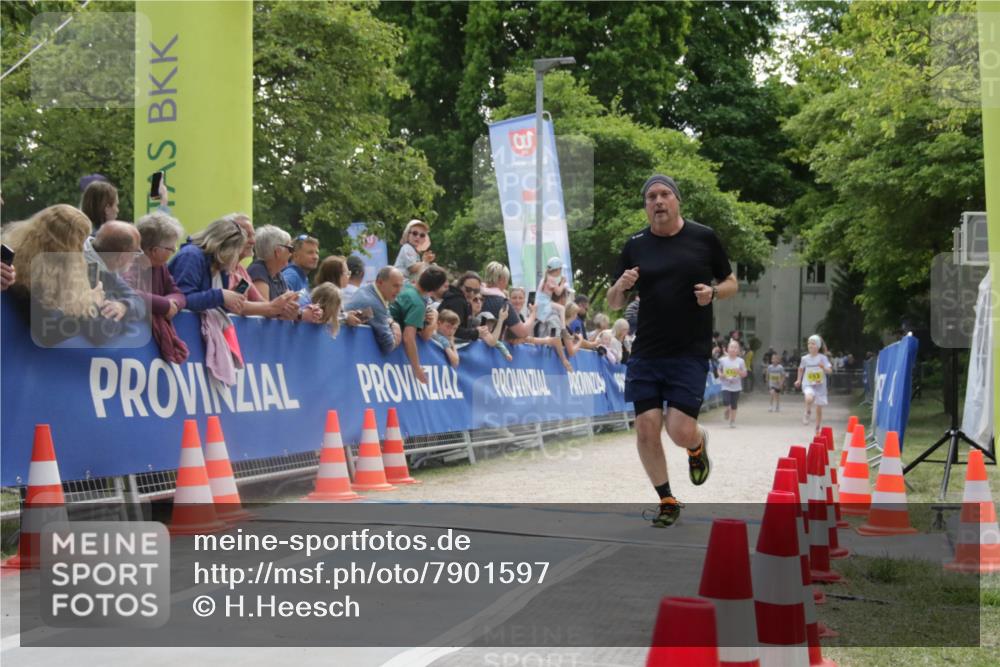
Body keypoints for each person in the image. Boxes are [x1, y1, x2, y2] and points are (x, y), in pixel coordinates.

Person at [607, 173, 738, 527]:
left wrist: (713, 293)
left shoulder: (703, 237)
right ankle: (667, 499)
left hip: (689, 351)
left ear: (677, 200)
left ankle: (696, 446)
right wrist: (621, 285)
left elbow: (731, 282)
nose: (658, 201)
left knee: (678, 429)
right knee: (647, 428)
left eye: (665, 194)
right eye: (651, 197)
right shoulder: (635, 245)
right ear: (646, 206)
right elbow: (614, 301)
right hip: (647, 352)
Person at [7, 205, 123, 345]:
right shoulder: (23, 274)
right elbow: (47, 334)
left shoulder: (39, 264)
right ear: (63, 245)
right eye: (80, 242)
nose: (83, 249)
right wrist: (91, 305)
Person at [131, 211, 188, 363]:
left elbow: (178, 294)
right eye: (171, 249)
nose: (174, 251)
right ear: (155, 250)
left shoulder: (160, 266)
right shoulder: (128, 261)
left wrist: (172, 303)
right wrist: (164, 305)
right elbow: (127, 293)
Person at [168, 216, 248, 314]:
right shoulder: (191, 256)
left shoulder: (221, 266)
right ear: (227, 249)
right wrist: (220, 296)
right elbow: (182, 299)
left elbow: (212, 306)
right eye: (237, 252)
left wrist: (229, 301)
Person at [225, 214, 299, 319]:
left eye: (253, 236)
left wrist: (285, 309)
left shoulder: (241, 272)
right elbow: (236, 304)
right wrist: (275, 308)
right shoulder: (256, 270)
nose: (253, 241)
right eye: (246, 235)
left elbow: (254, 301)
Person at [248, 226, 323, 323]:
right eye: (290, 249)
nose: (291, 254)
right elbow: (265, 310)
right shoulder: (258, 271)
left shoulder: (278, 275)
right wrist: (301, 314)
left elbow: (289, 308)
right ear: (278, 252)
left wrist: (308, 310)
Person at [390, 265, 449, 384]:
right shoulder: (418, 304)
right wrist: (417, 368)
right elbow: (409, 338)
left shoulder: (404, 287)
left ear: (422, 275)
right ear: (435, 289)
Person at [83, 221, 148, 323]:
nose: (136, 259)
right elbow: (103, 331)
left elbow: (139, 301)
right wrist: (123, 321)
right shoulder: (84, 272)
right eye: (135, 253)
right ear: (122, 256)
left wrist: (124, 306)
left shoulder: (107, 268)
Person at [345, 265, 404, 354]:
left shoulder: (369, 291)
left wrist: (391, 322)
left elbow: (386, 314)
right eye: (395, 286)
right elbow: (388, 345)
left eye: (401, 286)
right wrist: (396, 331)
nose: (399, 291)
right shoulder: (373, 304)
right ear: (380, 282)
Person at [481, 261, 536, 339]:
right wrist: (533, 314)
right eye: (507, 279)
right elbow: (522, 332)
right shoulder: (503, 303)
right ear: (502, 279)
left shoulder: (477, 295)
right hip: (491, 347)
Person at [795, 334, 833, 432]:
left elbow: (830, 371)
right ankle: (807, 412)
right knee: (808, 398)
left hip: (820, 386)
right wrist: (798, 379)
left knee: (819, 408)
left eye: (813, 343)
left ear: (818, 346)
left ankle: (817, 428)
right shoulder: (805, 358)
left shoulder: (822, 358)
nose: (810, 346)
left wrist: (823, 367)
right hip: (808, 383)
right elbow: (800, 369)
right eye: (809, 343)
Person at [282, 234, 320, 305]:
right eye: (310, 252)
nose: (315, 257)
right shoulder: (291, 276)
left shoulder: (302, 276)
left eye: (317, 253)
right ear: (295, 256)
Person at [534, 256, 568, 336]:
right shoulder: (551, 279)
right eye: (561, 269)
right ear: (558, 269)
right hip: (544, 303)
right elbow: (558, 292)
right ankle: (563, 329)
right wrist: (563, 283)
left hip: (541, 302)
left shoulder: (545, 278)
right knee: (562, 308)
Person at [717, 340, 747, 428]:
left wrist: (739, 372)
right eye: (732, 347)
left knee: (734, 404)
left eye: (736, 347)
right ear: (727, 349)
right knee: (726, 400)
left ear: (738, 350)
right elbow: (718, 369)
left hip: (736, 387)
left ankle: (732, 421)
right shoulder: (722, 360)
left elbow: (745, 374)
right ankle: (727, 409)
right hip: (725, 385)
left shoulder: (741, 361)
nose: (733, 349)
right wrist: (720, 375)